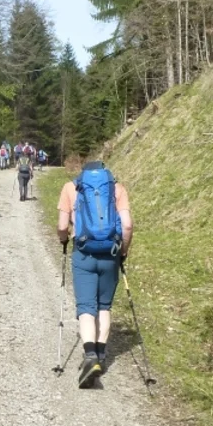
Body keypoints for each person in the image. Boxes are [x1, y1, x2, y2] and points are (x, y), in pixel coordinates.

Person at [56, 161, 133, 388]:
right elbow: (127, 225)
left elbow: (62, 226)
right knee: (104, 306)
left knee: (87, 307)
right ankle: (100, 355)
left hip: (84, 254)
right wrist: (123, 252)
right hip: (110, 254)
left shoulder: (71, 188)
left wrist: (63, 239)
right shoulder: (117, 189)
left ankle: (89, 356)